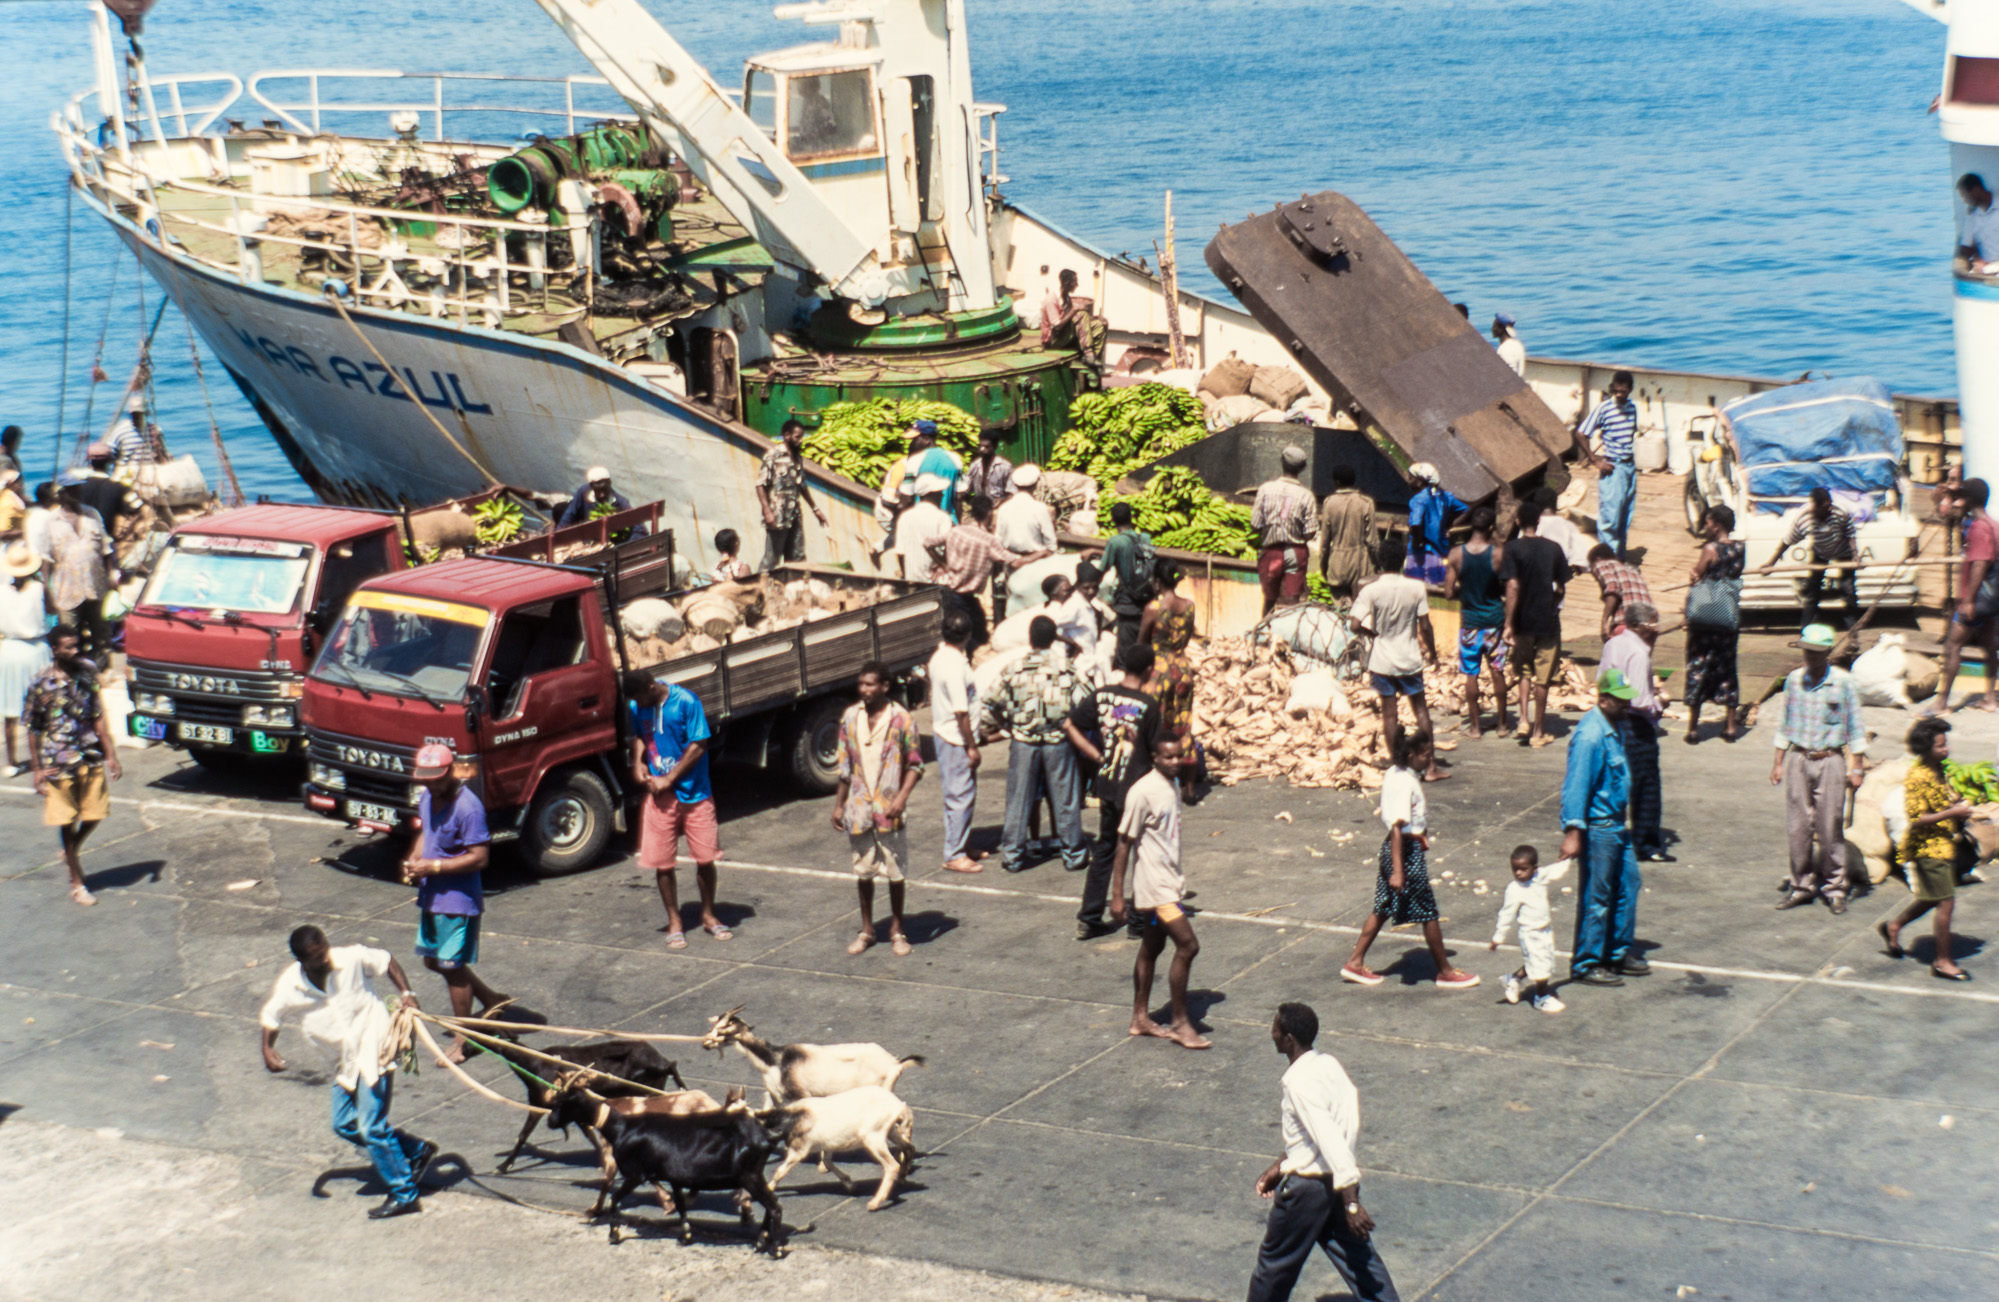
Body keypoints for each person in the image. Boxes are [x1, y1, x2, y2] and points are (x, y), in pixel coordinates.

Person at [259, 925, 437, 1220]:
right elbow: (271, 1014)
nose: (325, 959)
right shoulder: (292, 983)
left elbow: (386, 960)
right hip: (345, 1059)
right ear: (302, 960)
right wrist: (267, 1047)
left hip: (374, 1044)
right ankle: (415, 1149)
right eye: (316, 958)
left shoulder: (351, 957)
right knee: (343, 1123)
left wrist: (407, 992)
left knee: (371, 1127)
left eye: (325, 950)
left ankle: (404, 1193)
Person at [1247, 1002, 1400, 1302]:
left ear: (1288, 1038)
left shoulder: (1298, 1083)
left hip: (1308, 1190)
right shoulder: (1329, 1065)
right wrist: (1281, 1165)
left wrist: (1352, 1204)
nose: (1271, 1033)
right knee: (1358, 1258)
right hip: (1335, 1184)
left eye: (1275, 1028)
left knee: (1274, 1265)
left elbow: (1327, 1137)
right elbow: (1325, 1132)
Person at [1341, 729, 1478, 988]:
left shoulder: (1396, 772)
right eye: (1425, 755)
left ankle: (1355, 962)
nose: (1429, 760)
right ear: (1412, 755)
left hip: (1396, 850)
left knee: (1382, 907)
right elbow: (1397, 827)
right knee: (1428, 910)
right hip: (1404, 853)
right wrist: (1398, 870)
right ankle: (1445, 971)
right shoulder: (1406, 783)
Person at [401, 743, 504, 1060]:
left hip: (458, 901)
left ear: (451, 771)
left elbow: (480, 858)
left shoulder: (468, 808)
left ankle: (464, 1038)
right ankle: (490, 1000)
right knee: (434, 961)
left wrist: (432, 867)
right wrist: (414, 860)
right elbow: (426, 832)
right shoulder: (428, 798)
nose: (430, 785)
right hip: (432, 896)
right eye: (426, 779)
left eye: (436, 778)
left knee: (451, 965)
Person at [1109, 736, 1210, 1049]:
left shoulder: (1173, 784)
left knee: (1151, 947)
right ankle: (1180, 1022)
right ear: (1154, 757)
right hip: (1155, 889)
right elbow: (1124, 842)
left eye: (1179, 756)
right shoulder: (1142, 791)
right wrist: (1116, 894)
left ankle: (1140, 1017)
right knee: (1188, 945)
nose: (1175, 761)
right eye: (1168, 757)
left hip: (1169, 883)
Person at [1066, 643, 1162, 939]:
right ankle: (1136, 920)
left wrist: (1096, 756)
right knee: (1140, 852)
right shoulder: (1149, 705)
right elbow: (1157, 750)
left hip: (1107, 784)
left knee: (1106, 848)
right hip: (1135, 787)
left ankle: (1090, 915)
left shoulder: (1102, 694)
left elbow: (1070, 725)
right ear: (1148, 670)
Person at [1770, 623, 1867, 914]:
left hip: (1831, 760)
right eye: (1806, 652)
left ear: (1826, 653)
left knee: (1830, 825)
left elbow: (1855, 726)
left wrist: (1857, 766)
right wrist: (1777, 762)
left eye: (1816, 653)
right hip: (1799, 759)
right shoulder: (1794, 680)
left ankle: (1835, 887)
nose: (1810, 658)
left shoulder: (1844, 682)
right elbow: (1785, 723)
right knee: (1798, 826)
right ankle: (1802, 885)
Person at [1560, 668, 1648, 986]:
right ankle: (1586, 962)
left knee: (1629, 884)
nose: (1627, 706)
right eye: (1621, 700)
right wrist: (1573, 832)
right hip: (1599, 828)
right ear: (1604, 699)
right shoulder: (1590, 736)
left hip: (1616, 826)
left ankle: (1616, 952)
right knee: (1597, 896)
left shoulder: (1614, 725)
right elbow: (1577, 786)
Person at [627, 671, 728, 947]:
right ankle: (675, 920)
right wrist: (638, 763)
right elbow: (638, 735)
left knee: (705, 858)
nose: (639, 705)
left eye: (641, 698)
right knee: (662, 862)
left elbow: (699, 744)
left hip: (695, 794)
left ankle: (708, 915)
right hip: (660, 798)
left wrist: (670, 778)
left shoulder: (686, 701)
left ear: (652, 688)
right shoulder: (637, 705)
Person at [982, 616, 1090, 874]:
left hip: (1023, 742)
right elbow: (1086, 704)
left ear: (1030, 638)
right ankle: (1073, 854)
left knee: (1019, 799)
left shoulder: (1013, 668)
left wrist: (1007, 725)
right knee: (1065, 799)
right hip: (1058, 741)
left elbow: (989, 705)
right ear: (1053, 639)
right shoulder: (1066, 668)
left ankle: (1012, 857)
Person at [24, 625, 120, 907]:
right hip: (59, 761)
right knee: (67, 821)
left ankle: (71, 851)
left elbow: (98, 715)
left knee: (95, 812)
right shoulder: (40, 683)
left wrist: (111, 754)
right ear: (55, 650)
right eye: (68, 647)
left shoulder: (87, 672)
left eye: (76, 645)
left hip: (89, 755)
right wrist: (38, 769)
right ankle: (77, 882)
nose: (75, 651)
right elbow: (33, 728)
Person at [834, 662, 923, 955]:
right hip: (859, 808)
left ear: (885, 686)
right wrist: (839, 804)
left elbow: (914, 764)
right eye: (861, 684)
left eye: (870, 684)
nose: (864, 690)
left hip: (889, 808)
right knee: (863, 869)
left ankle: (897, 930)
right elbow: (844, 765)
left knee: (895, 870)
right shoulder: (850, 717)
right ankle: (867, 930)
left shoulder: (902, 719)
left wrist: (902, 797)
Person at [1352, 536, 1447, 782]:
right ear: (1403, 561)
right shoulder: (1416, 588)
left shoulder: (1370, 590)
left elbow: (1353, 624)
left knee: (1390, 715)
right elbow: (1425, 626)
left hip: (1382, 661)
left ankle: (1398, 766)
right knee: (1421, 711)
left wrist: (1370, 633)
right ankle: (1430, 766)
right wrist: (1433, 655)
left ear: (1380, 562)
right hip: (1409, 659)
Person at [1883, 717, 1972, 979]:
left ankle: (1894, 925)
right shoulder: (1918, 776)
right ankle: (1942, 960)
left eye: (1946, 745)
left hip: (1943, 843)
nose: (1945, 750)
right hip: (1927, 847)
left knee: (1932, 897)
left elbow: (1942, 805)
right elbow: (1917, 818)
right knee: (1946, 901)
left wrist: (1956, 810)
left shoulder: (1939, 770)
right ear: (1924, 748)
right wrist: (1952, 812)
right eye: (1940, 746)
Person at [1598, 601, 1672, 862]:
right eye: (1653, 624)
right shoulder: (1638, 654)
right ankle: (1647, 844)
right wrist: (1660, 704)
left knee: (1615, 780)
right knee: (1645, 784)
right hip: (1636, 723)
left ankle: (1608, 836)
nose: (1657, 630)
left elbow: (1603, 679)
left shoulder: (1614, 644)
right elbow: (1640, 700)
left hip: (1612, 718)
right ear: (1639, 626)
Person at [932, 495, 1049, 650]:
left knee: (962, 631)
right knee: (977, 636)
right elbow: (1016, 562)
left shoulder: (956, 531)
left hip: (945, 590)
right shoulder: (988, 541)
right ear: (988, 515)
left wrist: (942, 563)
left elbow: (928, 542)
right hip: (962, 595)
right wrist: (1041, 553)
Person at [1500, 499, 1571, 748]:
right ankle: (1539, 731)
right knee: (1543, 678)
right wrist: (1554, 601)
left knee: (1524, 672)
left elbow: (1512, 586)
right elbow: (1561, 586)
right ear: (1539, 522)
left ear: (1518, 522)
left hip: (1522, 621)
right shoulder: (1553, 549)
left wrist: (1508, 623)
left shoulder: (1512, 549)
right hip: (1547, 621)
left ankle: (1522, 720)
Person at [1930, 477, 1999, 714]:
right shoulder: (1992, 524)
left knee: (1952, 647)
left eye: (1962, 496)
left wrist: (1968, 600)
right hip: (1991, 600)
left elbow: (1980, 563)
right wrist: (1945, 496)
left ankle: (1941, 703)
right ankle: (1990, 698)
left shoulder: (1979, 527)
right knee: (1990, 647)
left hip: (1976, 600)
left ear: (1970, 499)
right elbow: (1949, 513)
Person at [1683, 504, 1746, 743]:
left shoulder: (1710, 548)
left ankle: (1693, 729)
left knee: (1698, 668)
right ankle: (1730, 727)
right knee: (1728, 668)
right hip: (1728, 616)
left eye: (1708, 522)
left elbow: (1698, 575)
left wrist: (1693, 574)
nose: (1706, 526)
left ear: (1717, 525)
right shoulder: (1741, 548)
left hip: (1706, 617)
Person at [1139, 559, 1201, 803]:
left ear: (1157, 580)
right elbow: (1186, 638)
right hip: (1183, 668)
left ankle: (1157, 779)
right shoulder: (1188, 606)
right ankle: (1189, 787)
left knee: (1157, 725)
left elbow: (1142, 642)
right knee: (1183, 724)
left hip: (1159, 671)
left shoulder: (1153, 608)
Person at [1445, 505, 1509, 738]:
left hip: (1470, 622)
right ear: (1491, 527)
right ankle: (1502, 725)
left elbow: (1449, 592)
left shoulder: (1456, 555)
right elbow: (1507, 581)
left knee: (1470, 673)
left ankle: (1474, 727)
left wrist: (1467, 590)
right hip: (1494, 621)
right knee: (1497, 671)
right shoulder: (1497, 554)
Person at [928, 610, 985, 875]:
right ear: (968, 635)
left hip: (950, 735)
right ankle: (954, 854)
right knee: (959, 796)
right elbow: (961, 712)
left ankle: (961, 844)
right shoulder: (953, 666)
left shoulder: (942, 656)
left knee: (962, 793)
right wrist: (971, 746)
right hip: (956, 738)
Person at [1763, 486, 1859, 633]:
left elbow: (1850, 533)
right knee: (1813, 592)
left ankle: (1853, 633)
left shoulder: (1840, 512)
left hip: (1842, 550)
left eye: (1829, 506)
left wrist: (1855, 555)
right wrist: (1771, 563)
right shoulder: (1803, 519)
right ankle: (1806, 631)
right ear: (1816, 505)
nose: (1828, 509)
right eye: (1825, 507)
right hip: (1820, 552)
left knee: (1849, 591)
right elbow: (1787, 542)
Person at [1490, 845, 1568, 1013]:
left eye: (1523, 869)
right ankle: (1541, 998)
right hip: (1529, 933)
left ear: (1534, 868)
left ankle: (1513, 979)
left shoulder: (1540, 877)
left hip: (1544, 929)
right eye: (1515, 869)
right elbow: (1506, 914)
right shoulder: (1514, 889)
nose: (1518, 873)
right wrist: (1498, 936)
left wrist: (1570, 857)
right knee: (1540, 965)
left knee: (1540, 960)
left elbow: (1555, 870)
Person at [47, 477, 115, 664]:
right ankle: (73, 672)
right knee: (69, 635)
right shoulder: (51, 520)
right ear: (62, 494)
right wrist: (48, 591)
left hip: (95, 584)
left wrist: (111, 576)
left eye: (78, 489)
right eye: (72, 490)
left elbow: (106, 548)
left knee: (101, 633)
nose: (78, 493)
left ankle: (99, 669)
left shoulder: (92, 514)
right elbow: (46, 560)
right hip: (67, 589)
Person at [1574, 370, 1640, 557]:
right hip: (1613, 467)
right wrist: (1595, 460)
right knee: (1610, 518)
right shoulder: (1604, 408)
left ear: (1630, 390)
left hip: (1629, 467)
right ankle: (1607, 560)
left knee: (1625, 514)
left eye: (1624, 392)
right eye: (1617, 391)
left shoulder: (1632, 408)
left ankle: (1619, 557)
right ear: (1612, 389)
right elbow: (1581, 433)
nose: (1620, 395)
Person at [1, 540, 52, 777]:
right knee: (44, 706)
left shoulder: (1, 591)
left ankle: (11, 761)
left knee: (10, 711)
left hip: (9, 651)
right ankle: (41, 757)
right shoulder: (39, 588)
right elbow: (52, 610)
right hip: (35, 650)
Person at [1251, 446, 1318, 615]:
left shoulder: (1265, 489)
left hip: (1272, 552)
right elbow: (1310, 532)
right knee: (1293, 603)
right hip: (1296, 552)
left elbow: (1255, 524)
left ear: (1282, 462)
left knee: (1269, 600)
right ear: (1302, 469)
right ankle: (1288, 637)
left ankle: (1264, 633)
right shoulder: (1306, 495)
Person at [756, 419, 828, 572]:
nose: (801, 441)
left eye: (801, 437)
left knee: (797, 558)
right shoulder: (773, 455)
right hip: (778, 516)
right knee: (771, 559)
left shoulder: (797, 458)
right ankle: (760, 590)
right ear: (787, 435)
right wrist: (767, 511)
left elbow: (801, 485)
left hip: (794, 516)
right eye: (797, 437)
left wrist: (815, 509)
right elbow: (760, 484)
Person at [994, 464, 1058, 620]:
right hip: (1035, 565)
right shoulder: (1039, 509)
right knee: (1035, 609)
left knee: (1014, 610)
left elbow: (997, 542)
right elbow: (1051, 545)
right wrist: (1030, 558)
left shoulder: (1004, 508)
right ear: (1036, 484)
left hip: (1011, 564)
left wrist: (1016, 560)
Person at [1101, 501, 1156, 650]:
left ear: (1112, 520)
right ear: (1131, 517)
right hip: (1146, 599)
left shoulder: (1115, 542)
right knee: (1144, 643)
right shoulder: (1145, 538)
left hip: (1127, 602)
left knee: (1126, 648)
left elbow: (1103, 568)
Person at [1317, 463, 1376, 598]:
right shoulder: (1366, 503)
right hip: (1361, 566)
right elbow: (1372, 541)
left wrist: (1323, 566)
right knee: (1359, 611)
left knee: (1338, 612)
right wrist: (1377, 565)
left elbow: (1325, 543)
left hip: (1337, 565)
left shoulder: (1329, 503)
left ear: (1336, 482)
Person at [1402, 463, 1465, 588]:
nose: (1408, 481)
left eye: (1411, 478)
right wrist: (1447, 524)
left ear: (1420, 481)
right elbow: (1464, 509)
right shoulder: (1446, 497)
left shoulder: (1418, 500)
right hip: (1438, 553)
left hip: (1419, 554)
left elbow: (1416, 523)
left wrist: (1417, 541)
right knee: (1436, 588)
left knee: (1414, 588)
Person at [887, 474, 954, 579]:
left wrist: (905, 577)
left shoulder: (905, 517)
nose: (942, 495)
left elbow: (900, 552)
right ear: (932, 494)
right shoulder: (942, 518)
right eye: (939, 492)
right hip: (936, 580)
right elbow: (948, 549)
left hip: (912, 579)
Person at [1038, 268, 1107, 364]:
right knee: (1081, 315)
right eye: (1075, 282)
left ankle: (1091, 357)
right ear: (1066, 283)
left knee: (1099, 325)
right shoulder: (1051, 299)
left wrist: (1096, 317)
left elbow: (1075, 320)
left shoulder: (1066, 297)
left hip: (1064, 333)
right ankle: (1088, 352)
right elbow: (1057, 326)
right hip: (1053, 339)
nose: (1077, 285)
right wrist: (1075, 310)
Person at [1586, 543, 1652, 642]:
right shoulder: (1632, 571)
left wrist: (1604, 623)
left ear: (1597, 559)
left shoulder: (1601, 564)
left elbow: (1612, 588)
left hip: (1627, 624)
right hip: (1649, 625)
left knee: (1615, 653)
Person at [557, 466, 637, 529]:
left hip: (609, 540)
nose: (602, 495)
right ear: (591, 486)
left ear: (609, 483)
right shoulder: (583, 492)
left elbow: (637, 526)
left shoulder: (621, 502)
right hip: (586, 537)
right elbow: (569, 516)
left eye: (604, 490)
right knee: (559, 509)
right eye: (598, 491)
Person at [1957, 172, 1999, 271]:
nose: (1965, 200)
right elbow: (1966, 247)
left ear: (1976, 190)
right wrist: (1961, 260)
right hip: (1986, 270)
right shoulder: (1972, 216)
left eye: (1965, 195)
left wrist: (1987, 268)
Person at [966, 432, 1014, 511]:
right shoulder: (974, 466)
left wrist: (1002, 500)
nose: (982, 449)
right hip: (980, 511)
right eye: (980, 446)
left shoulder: (1005, 467)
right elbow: (966, 488)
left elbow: (1012, 493)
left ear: (994, 447)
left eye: (986, 447)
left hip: (998, 510)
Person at [109, 401, 158, 465]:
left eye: (139, 414)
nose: (136, 417)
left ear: (146, 414)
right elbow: (109, 452)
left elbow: (162, 455)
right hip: (128, 470)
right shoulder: (121, 431)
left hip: (149, 469)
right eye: (134, 414)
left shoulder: (153, 430)